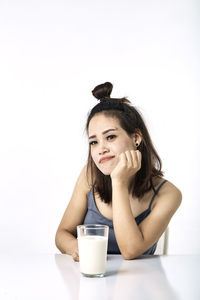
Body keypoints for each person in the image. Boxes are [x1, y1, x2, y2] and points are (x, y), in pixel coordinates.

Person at [55, 82, 182, 260]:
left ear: (136, 138)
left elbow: (130, 251)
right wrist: (74, 246)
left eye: (110, 137)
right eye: (94, 142)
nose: (101, 149)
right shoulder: (89, 175)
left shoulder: (169, 194)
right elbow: (62, 233)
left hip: (139, 282)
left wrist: (119, 182)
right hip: (92, 280)